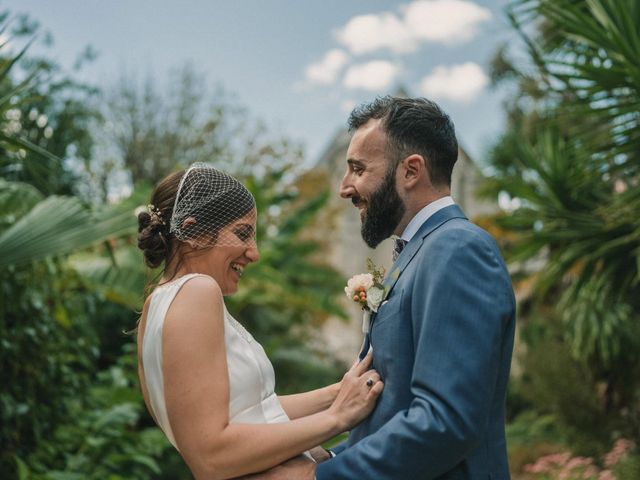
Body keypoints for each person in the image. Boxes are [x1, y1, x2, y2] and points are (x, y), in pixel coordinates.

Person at [135, 163, 383, 479]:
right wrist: (338, 417)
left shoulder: (153, 308)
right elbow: (211, 456)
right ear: (193, 232)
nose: (254, 253)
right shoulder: (197, 291)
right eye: (242, 234)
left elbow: (255, 413)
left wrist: (337, 393)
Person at [314, 96, 517, 479]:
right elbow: (393, 411)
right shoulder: (419, 252)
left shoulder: (457, 249)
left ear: (410, 171)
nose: (344, 188)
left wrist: (318, 479)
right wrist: (329, 459)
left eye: (358, 169)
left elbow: (445, 421)